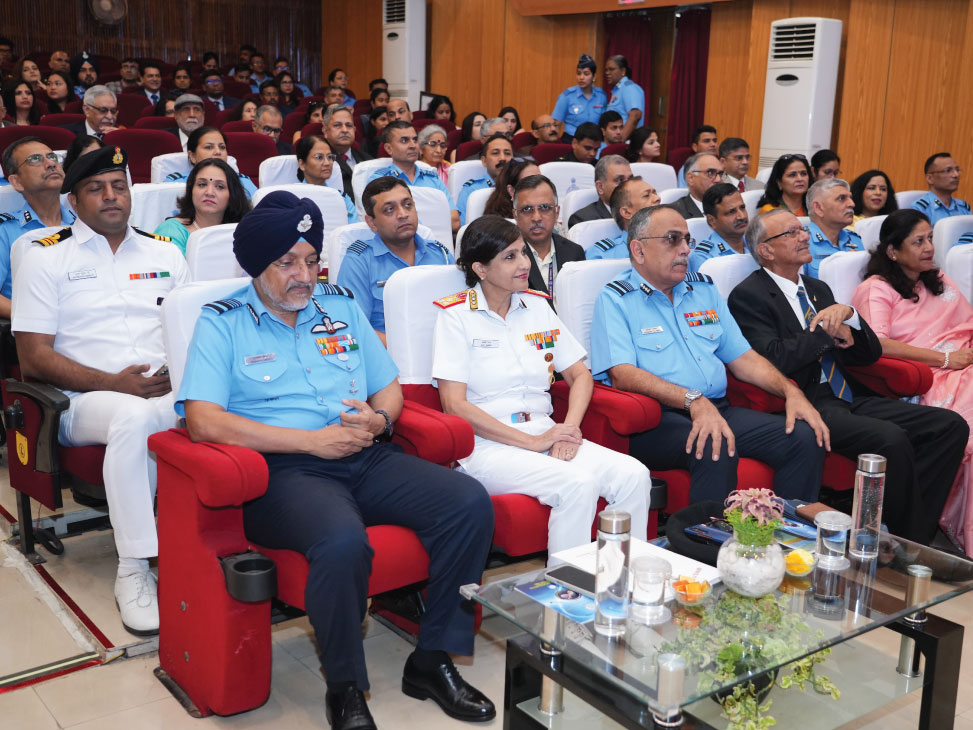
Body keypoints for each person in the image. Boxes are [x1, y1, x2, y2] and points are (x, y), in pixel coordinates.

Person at [177, 191, 495, 730]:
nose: (304, 276)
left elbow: (388, 386)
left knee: (468, 503)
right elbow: (203, 421)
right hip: (284, 471)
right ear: (257, 266)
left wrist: (380, 421)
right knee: (343, 541)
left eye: (311, 261)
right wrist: (309, 442)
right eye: (287, 263)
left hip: (363, 454)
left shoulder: (340, 305)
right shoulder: (222, 321)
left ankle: (432, 659)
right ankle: (345, 686)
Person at [12, 145, 189, 635]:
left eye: (119, 186)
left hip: (166, 393)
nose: (111, 196)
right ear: (73, 201)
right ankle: (134, 568)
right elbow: (34, 358)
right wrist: (115, 384)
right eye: (96, 188)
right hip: (80, 402)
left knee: (203, 407)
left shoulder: (166, 252)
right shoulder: (46, 259)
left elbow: (193, 332)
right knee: (134, 416)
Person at [729, 209, 966, 545]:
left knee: (950, 426)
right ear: (765, 250)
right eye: (791, 233)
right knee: (892, 439)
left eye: (802, 230)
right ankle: (900, 542)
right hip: (807, 402)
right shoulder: (748, 296)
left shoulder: (817, 288)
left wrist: (852, 318)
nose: (804, 236)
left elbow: (867, 355)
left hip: (850, 394)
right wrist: (826, 332)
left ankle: (909, 535)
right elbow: (774, 358)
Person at [433, 215, 651, 554]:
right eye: (510, 257)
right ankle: (566, 584)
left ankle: (618, 574)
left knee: (634, 475)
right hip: (487, 445)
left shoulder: (536, 306)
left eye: (523, 252)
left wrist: (568, 430)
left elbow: (580, 375)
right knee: (576, 483)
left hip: (545, 430)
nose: (524, 263)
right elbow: (454, 405)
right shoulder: (456, 316)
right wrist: (532, 442)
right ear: (480, 269)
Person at [590, 205, 829, 503]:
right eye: (672, 239)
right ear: (639, 250)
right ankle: (706, 533)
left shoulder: (702, 290)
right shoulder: (616, 299)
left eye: (687, 239)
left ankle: (785, 526)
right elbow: (622, 374)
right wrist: (693, 400)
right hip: (657, 421)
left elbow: (744, 358)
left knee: (804, 437)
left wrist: (791, 392)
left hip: (717, 408)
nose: (685, 249)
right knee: (714, 444)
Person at [852, 209, 973, 553]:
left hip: (964, 361)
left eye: (930, 238)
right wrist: (946, 359)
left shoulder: (937, 278)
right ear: (893, 251)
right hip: (930, 375)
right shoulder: (876, 289)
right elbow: (878, 344)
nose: (929, 248)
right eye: (918, 241)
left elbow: (966, 323)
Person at [336, 177, 454, 341]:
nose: (403, 214)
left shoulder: (441, 254)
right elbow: (355, 326)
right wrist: (407, 350)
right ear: (371, 222)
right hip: (387, 352)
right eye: (389, 210)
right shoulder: (359, 261)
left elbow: (461, 313)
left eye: (408, 205)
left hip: (444, 347)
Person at [0, 137, 77, 317]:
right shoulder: (5, 230)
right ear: (17, 182)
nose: (51, 163)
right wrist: (36, 319)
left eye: (52, 157)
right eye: (35, 159)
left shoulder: (85, 223)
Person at [368, 121, 460, 231]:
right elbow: (381, 223)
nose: (413, 145)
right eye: (404, 140)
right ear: (389, 148)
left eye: (415, 140)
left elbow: (455, 222)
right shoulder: (378, 180)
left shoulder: (433, 178)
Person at [513, 175, 585, 306]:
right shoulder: (507, 258)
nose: (536, 218)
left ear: (557, 212)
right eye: (527, 209)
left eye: (545, 207)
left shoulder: (574, 252)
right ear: (516, 215)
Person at [154, 158, 251, 255]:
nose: (209, 192)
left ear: (232, 194)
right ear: (191, 190)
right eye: (202, 184)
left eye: (219, 186)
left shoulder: (243, 231)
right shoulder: (171, 230)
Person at [163, 126, 258, 198]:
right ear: (192, 156)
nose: (218, 152)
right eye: (209, 147)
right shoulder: (175, 183)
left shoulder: (243, 181)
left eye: (222, 147)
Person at [585, 177, 660, 260]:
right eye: (646, 195)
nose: (657, 198)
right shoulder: (602, 254)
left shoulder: (670, 244)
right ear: (626, 212)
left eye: (655, 193)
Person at [804, 178, 862, 279]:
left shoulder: (855, 239)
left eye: (850, 198)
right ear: (818, 208)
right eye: (841, 198)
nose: (852, 204)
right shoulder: (801, 242)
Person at [294, 135, 359, 223]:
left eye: (329, 157)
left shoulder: (342, 198)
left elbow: (353, 229)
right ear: (302, 164)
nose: (327, 163)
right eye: (319, 157)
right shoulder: (293, 198)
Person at [689, 183, 749, 272]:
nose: (742, 216)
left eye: (742, 208)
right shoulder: (703, 258)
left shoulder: (756, 242)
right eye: (731, 212)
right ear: (711, 221)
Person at [456, 133, 513, 225]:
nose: (502, 158)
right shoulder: (471, 190)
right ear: (484, 161)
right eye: (495, 153)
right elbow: (464, 228)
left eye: (507, 153)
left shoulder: (519, 187)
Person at [552, 54, 607, 144]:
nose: (581, 77)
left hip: (594, 141)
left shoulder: (601, 96)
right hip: (571, 140)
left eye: (586, 74)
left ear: (594, 76)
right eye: (578, 73)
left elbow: (604, 123)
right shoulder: (567, 96)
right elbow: (556, 124)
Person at [567, 154, 632, 228]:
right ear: (600, 187)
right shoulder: (583, 221)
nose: (629, 185)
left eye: (631, 179)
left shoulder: (640, 212)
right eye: (620, 180)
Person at [325, 104, 372, 200]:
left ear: (354, 130)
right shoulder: (321, 161)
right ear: (325, 131)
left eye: (349, 125)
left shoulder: (367, 160)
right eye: (337, 125)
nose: (344, 130)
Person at [912, 153, 970, 225]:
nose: (956, 175)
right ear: (930, 178)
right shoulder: (920, 209)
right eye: (948, 170)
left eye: (957, 170)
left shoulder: (964, 207)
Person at [604, 55, 644, 143]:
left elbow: (635, 115)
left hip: (626, 142)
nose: (607, 73)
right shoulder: (618, 90)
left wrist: (620, 142)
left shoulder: (629, 87)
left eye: (611, 69)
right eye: (606, 70)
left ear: (623, 71)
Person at [671, 152, 723, 220]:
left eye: (721, 173)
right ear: (691, 178)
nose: (719, 179)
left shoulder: (730, 207)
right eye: (710, 173)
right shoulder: (674, 214)